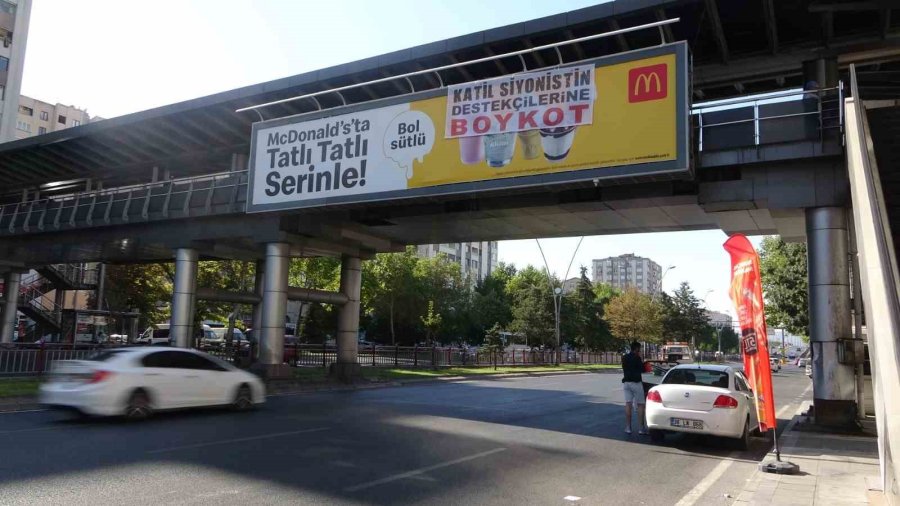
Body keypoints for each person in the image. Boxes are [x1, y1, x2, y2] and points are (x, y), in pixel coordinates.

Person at [622, 340, 647, 435]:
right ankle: (641, 428)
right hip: (636, 383)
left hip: (626, 383)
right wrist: (640, 359)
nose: (640, 351)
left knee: (628, 404)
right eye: (639, 349)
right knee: (641, 404)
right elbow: (642, 369)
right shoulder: (637, 358)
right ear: (636, 349)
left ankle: (628, 427)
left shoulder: (624, 357)